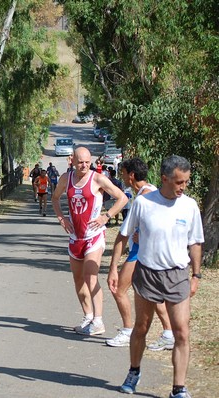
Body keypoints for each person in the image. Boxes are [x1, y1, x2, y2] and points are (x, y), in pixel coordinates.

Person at [109, 155, 204, 398]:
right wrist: (113, 268)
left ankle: (178, 388)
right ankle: (134, 370)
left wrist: (196, 275)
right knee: (141, 327)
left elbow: (195, 243)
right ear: (164, 179)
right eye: (178, 182)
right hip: (148, 273)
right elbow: (125, 234)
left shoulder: (189, 205)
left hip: (178, 274)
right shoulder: (144, 203)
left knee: (181, 331)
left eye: (186, 182)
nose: (183, 187)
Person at [51, 146, 127, 336]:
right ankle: (88, 317)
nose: (84, 165)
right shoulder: (65, 179)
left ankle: (99, 321)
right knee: (78, 279)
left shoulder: (98, 178)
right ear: (72, 161)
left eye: (87, 162)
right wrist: (61, 218)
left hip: (94, 235)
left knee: (90, 277)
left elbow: (122, 198)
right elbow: (54, 197)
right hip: (75, 237)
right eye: (80, 162)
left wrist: (106, 217)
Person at [105, 158, 174, 350]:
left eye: (124, 173)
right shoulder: (149, 191)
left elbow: (123, 236)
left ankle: (128, 330)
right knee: (151, 295)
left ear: (131, 175)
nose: (122, 176)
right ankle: (168, 333)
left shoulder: (144, 198)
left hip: (142, 252)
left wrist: (113, 267)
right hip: (143, 250)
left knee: (118, 288)